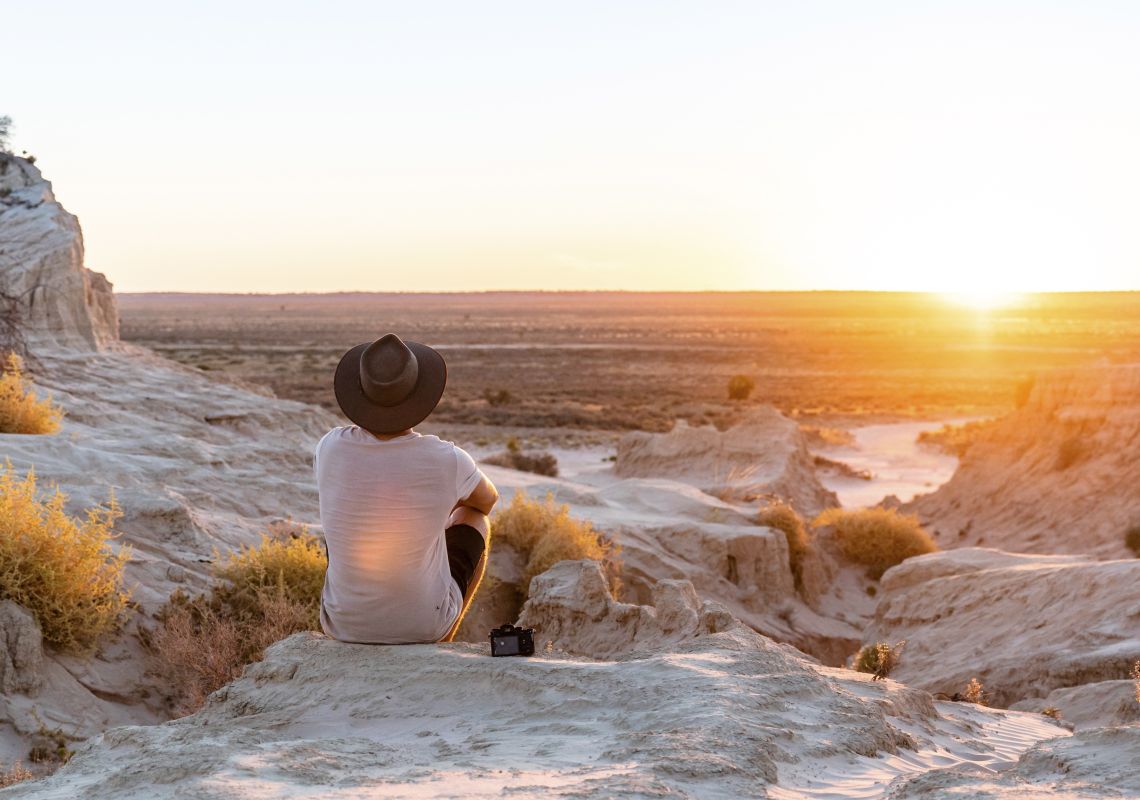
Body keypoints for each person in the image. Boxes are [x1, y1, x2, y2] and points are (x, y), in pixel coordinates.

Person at [315, 333, 498, 644]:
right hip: (421, 628)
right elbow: (487, 500)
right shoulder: (447, 459)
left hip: (343, 626)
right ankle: (444, 636)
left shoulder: (329, 446)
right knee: (475, 520)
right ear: (421, 395)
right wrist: (439, 508)